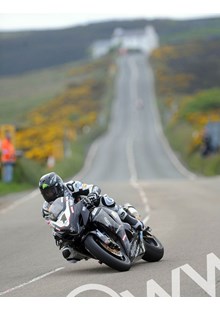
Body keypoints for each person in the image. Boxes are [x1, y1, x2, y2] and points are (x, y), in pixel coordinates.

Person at [39, 172, 145, 263]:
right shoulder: (46, 208)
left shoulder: (70, 186)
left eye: (51, 191)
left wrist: (93, 194)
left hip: (87, 209)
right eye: (46, 193)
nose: (49, 195)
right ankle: (100, 252)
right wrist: (58, 235)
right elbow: (51, 223)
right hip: (72, 225)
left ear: (59, 186)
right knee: (68, 254)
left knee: (103, 199)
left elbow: (92, 187)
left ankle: (132, 220)